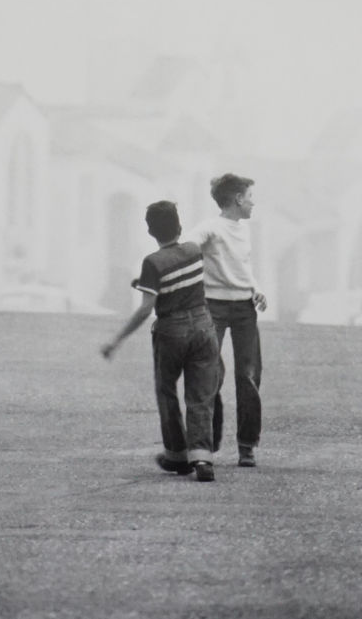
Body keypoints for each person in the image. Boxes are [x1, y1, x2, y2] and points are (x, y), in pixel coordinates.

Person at [100, 200, 220, 481]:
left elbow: (146, 307)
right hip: (203, 326)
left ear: (150, 231)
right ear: (179, 225)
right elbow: (181, 277)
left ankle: (177, 455)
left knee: (166, 391)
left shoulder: (153, 263)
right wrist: (143, 282)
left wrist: (116, 340)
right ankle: (202, 458)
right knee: (200, 396)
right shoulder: (193, 251)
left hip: (171, 332)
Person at [186, 173, 266, 468]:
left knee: (248, 376)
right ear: (237, 199)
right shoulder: (210, 228)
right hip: (214, 308)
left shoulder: (244, 230)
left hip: (245, 308)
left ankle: (247, 446)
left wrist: (256, 290)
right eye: (250, 197)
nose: (253, 203)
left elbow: (244, 268)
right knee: (208, 374)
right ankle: (204, 444)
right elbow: (188, 247)